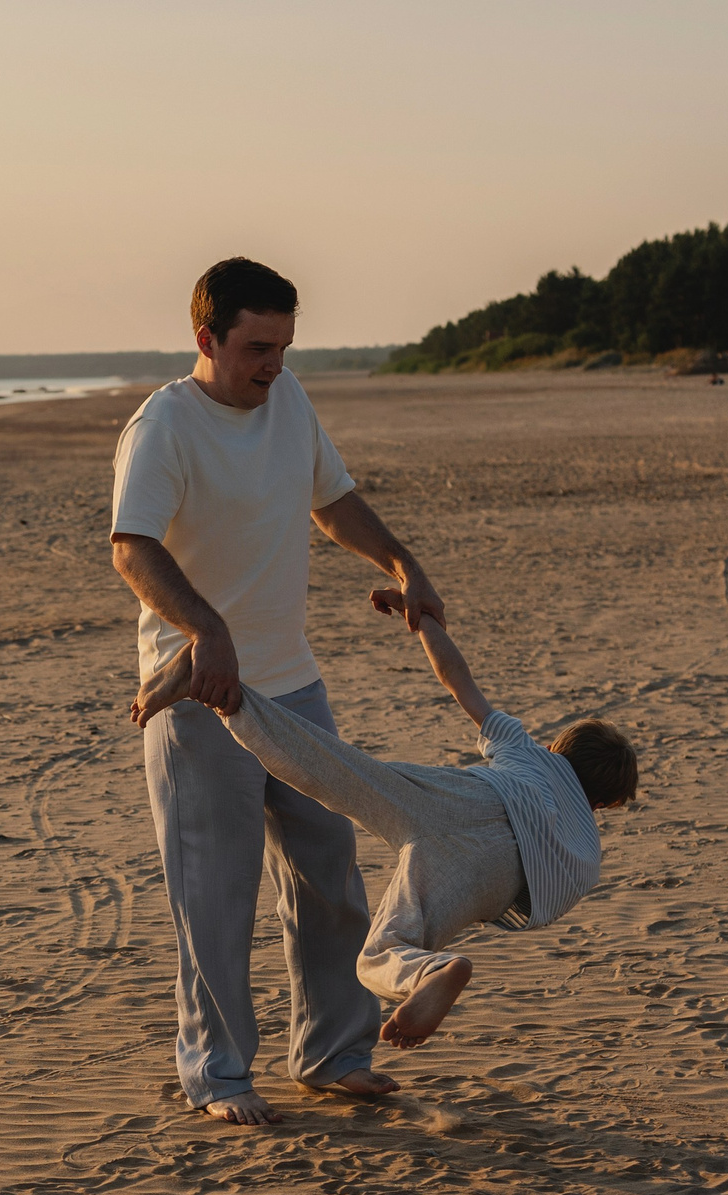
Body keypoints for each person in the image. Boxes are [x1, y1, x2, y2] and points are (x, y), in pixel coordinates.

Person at [111, 256, 447, 1126]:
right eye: (257, 348)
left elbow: (331, 500)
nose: (273, 365)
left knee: (329, 872)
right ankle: (217, 1073)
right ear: (206, 339)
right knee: (215, 895)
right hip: (198, 695)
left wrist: (401, 561)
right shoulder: (163, 428)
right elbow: (132, 547)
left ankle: (333, 1052)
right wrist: (203, 627)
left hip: (291, 687)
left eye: (285, 347)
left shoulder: (289, 402)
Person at [133, 594, 637, 1048]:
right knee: (381, 954)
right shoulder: (586, 848)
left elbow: (458, 680)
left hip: (468, 797)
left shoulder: (528, 752)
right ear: (600, 805)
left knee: (334, 767)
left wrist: (423, 622)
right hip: (498, 877)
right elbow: (546, 900)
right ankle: (433, 970)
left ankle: (224, 695)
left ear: (558, 748)